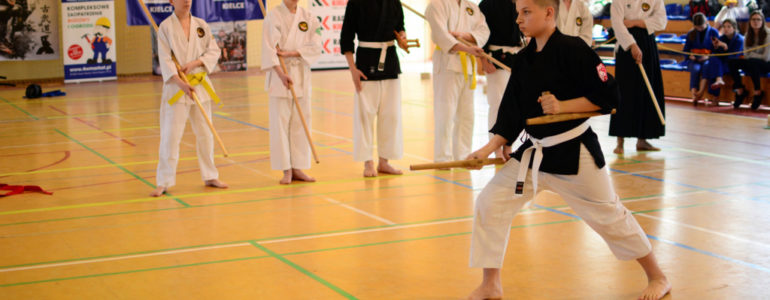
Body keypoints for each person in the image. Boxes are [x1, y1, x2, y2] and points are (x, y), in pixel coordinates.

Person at [464, 0, 670, 299]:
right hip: (534, 155)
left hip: (575, 152)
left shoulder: (575, 49)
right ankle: (490, 284)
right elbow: (510, 114)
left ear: (549, 13)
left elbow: (610, 97)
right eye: (518, 13)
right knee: (490, 203)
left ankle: (658, 276)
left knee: (610, 216)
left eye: (526, 12)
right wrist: (486, 149)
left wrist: (564, 106)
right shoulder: (523, 59)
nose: (519, 19)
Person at [151, 0, 227, 197]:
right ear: (171, 1)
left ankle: (210, 175)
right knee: (171, 135)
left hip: (199, 85)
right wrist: (181, 83)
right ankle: (164, 181)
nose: (186, 1)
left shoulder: (201, 25)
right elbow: (166, 60)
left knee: (206, 133)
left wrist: (194, 63)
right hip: (177, 88)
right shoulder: (165, 27)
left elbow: (213, 51)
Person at [340, 0, 409, 177]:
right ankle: (368, 162)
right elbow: (346, 37)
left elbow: (400, 26)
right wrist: (352, 69)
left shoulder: (394, 2)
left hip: (390, 62)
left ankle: (384, 161)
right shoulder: (355, 2)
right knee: (365, 116)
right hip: (365, 63)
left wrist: (402, 37)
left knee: (391, 116)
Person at [262, 0, 322, 184]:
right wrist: (280, 74)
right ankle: (286, 170)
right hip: (281, 75)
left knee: (301, 123)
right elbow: (269, 49)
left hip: (301, 75)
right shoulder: (273, 16)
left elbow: (316, 46)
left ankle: (298, 167)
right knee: (280, 124)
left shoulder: (309, 17)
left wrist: (291, 53)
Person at [425, 0, 490, 163]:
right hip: (447, 63)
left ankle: (462, 155)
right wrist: (466, 48)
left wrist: (465, 36)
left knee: (466, 115)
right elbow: (441, 35)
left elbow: (484, 30)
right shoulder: (437, 5)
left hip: (468, 65)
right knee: (445, 113)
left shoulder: (472, 8)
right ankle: (443, 158)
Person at [609, 0, 667, 154]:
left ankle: (643, 139)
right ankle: (620, 141)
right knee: (625, 92)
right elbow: (617, 23)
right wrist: (632, 45)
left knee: (647, 92)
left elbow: (661, 21)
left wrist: (635, 22)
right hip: (626, 43)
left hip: (648, 42)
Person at [479, 0, 524, 158]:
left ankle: (508, 145)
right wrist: (484, 59)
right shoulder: (486, 4)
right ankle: (495, 147)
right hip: (496, 58)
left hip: (518, 57)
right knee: (497, 103)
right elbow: (480, 32)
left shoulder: (519, 2)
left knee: (515, 104)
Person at [728, 10, 770, 110]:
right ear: (750, 21)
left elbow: (766, 57)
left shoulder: (768, 34)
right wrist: (752, 55)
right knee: (732, 62)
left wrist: (752, 54)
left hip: (766, 64)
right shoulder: (747, 35)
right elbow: (746, 54)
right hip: (752, 63)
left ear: (762, 21)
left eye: (758, 19)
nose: (756, 22)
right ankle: (740, 90)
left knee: (753, 62)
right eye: (753, 19)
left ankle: (758, 92)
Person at [683, 12, 720, 105]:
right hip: (694, 60)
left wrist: (708, 56)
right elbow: (685, 50)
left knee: (706, 67)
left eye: (701, 27)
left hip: (708, 59)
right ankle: (694, 95)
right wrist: (689, 56)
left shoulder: (713, 32)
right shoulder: (691, 33)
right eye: (697, 27)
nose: (699, 29)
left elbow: (717, 50)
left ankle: (701, 92)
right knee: (695, 69)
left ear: (707, 22)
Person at [704, 18, 744, 102]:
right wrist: (715, 46)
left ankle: (715, 96)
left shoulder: (740, 39)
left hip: (733, 65)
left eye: (729, 27)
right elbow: (716, 53)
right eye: (724, 27)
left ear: (734, 28)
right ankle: (718, 80)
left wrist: (725, 46)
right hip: (722, 63)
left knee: (714, 66)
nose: (726, 29)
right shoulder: (721, 38)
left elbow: (734, 57)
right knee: (713, 59)